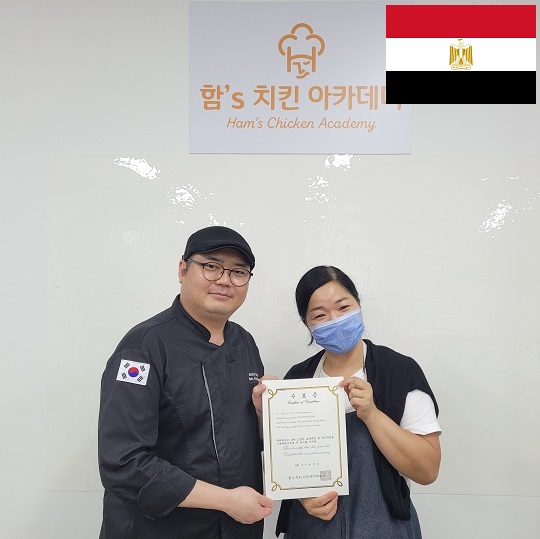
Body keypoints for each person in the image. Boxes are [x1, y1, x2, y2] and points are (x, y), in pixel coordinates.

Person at [98, 225, 274, 539]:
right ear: (183, 270)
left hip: (237, 528)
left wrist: (263, 414)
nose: (225, 280)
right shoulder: (142, 348)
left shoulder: (245, 343)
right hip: (161, 530)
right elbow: (123, 463)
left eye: (238, 272)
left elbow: (240, 441)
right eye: (211, 266)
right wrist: (227, 501)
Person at [276, 265, 441, 538]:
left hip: (385, 528)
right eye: (320, 315)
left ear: (359, 305)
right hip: (311, 529)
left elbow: (427, 470)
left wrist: (372, 414)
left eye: (343, 307)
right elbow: (285, 464)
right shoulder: (297, 379)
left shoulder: (399, 371)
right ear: (308, 324)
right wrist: (303, 496)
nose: (335, 320)